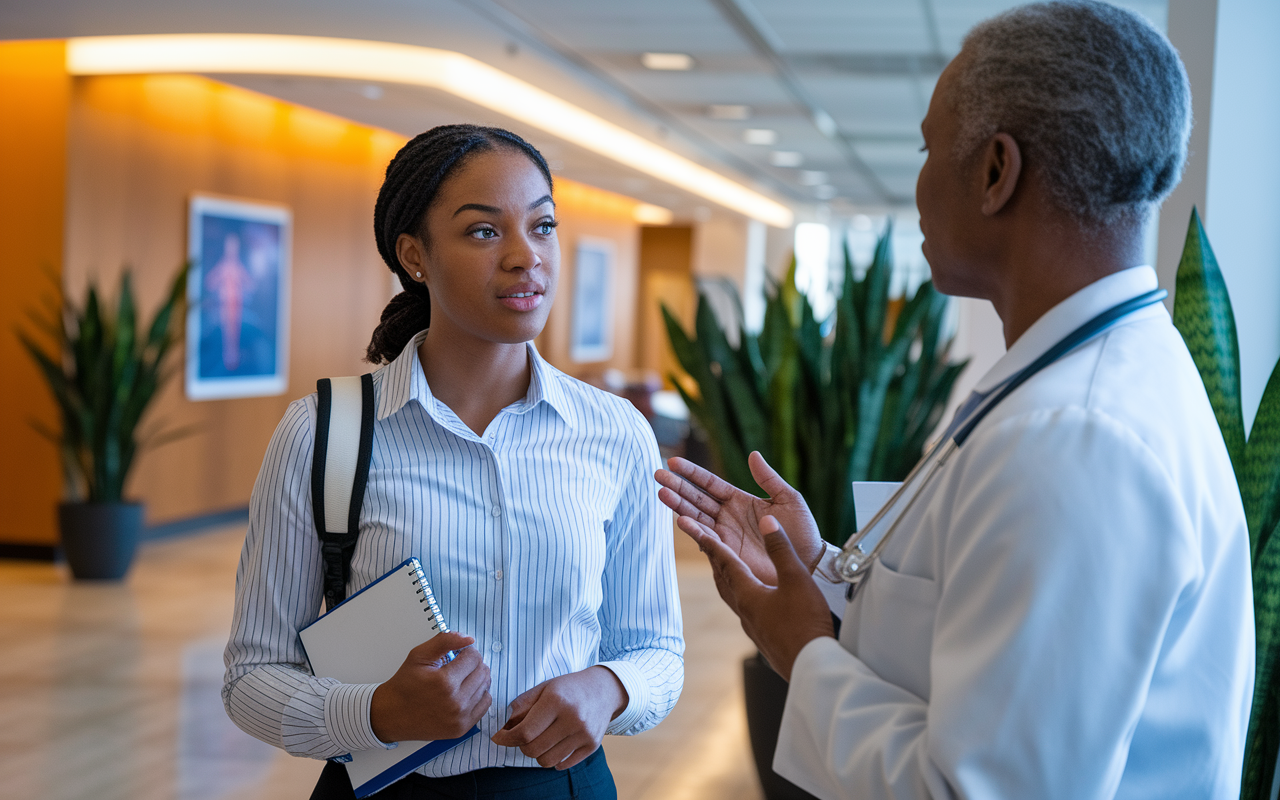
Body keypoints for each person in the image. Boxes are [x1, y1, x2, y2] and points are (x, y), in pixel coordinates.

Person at [655, 2, 1253, 798]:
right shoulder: (1077, 380)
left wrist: (802, 651)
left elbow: (973, 790)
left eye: (930, 149)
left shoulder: (1074, 436)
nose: (919, 185)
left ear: (996, 171)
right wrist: (824, 573)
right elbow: (972, 632)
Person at [224, 124, 683, 799]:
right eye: (483, 232)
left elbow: (657, 651)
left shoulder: (615, 432)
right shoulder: (324, 432)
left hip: (562, 788)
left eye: (543, 226)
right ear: (415, 255)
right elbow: (252, 677)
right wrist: (379, 712)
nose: (526, 257)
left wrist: (609, 688)